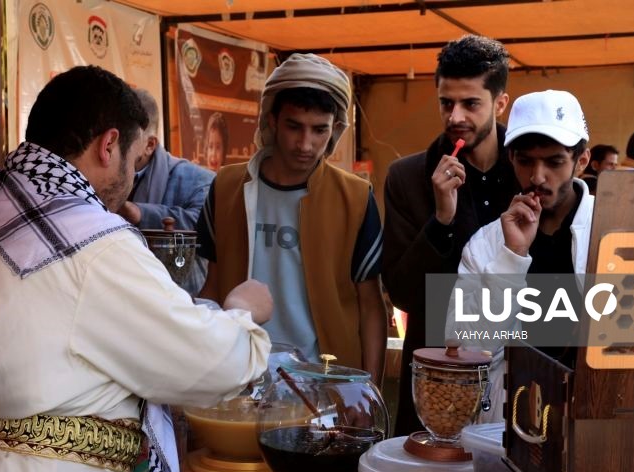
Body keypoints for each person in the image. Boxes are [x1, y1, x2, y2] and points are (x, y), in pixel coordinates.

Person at [0, 65, 272, 472]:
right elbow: (211, 364)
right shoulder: (94, 244)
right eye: (135, 163)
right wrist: (241, 313)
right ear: (108, 145)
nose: (132, 181)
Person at [196, 53, 386, 382]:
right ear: (271, 120)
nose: (305, 144)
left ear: (336, 129)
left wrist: (368, 391)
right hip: (239, 374)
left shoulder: (354, 198)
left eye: (319, 130)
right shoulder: (227, 187)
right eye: (294, 126)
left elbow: (371, 305)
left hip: (325, 381)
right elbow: (211, 287)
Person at [382, 35, 519, 436]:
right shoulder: (408, 177)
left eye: (471, 103)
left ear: (499, 103)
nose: (455, 115)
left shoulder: (533, 171)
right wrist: (441, 220)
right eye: (446, 103)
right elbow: (404, 293)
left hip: (519, 376)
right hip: (436, 384)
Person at [451, 89, 592, 422]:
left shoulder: (612, 231)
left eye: (555, 161)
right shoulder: (485, 245)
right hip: (510, 422)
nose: (538, 177)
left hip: (593, 422)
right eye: (526, 160)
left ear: (581, 161)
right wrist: (512, 256)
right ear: (510, 158)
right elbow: (466, 348)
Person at [117, 89, 214, 295]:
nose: (115, 149)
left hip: (182, 302)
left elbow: (206, 226)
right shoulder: (105, 174)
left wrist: (141, 214)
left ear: (150, 145)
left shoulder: (198, 179)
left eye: (125, 141)